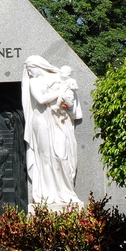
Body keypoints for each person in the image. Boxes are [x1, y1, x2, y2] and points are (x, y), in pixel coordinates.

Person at [21, 55, 82, 211]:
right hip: (40, 121)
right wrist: (60, 91)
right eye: (28, 70)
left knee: (61, 156)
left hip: (57, 121)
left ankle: (66, 192)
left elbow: (69, 99)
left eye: (31, 69)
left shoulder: (58, 78)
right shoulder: (33, 82)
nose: (30, 73)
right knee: (46, 158)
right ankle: (48, 195)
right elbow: (41, 99)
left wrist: (64, 92)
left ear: (39, 66)